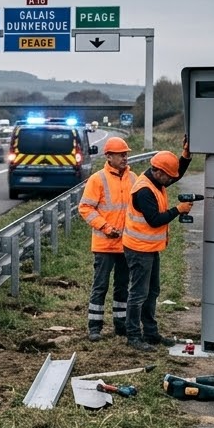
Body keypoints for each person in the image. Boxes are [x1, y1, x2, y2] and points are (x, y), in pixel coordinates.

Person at [121, 139, 193, 352]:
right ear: (159, 172)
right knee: (138, 294)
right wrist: (178, 210)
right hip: (138, 248)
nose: (171, 180)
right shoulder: (144, 190)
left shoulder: (156, 179)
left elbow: (176, 173)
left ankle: (151, 333)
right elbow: (154, 219)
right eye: (168, 177)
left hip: (149, 248)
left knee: (152, 291)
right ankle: (133, 335)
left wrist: (186, 155)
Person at [77, 136, 134, 341]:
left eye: (126, 154)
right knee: (100, 286)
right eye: (121, 154)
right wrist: (106, 227)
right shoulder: (97, 179)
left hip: (126, 244)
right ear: (109, 156)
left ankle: (121, 325)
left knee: (122, 286)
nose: (125, 157)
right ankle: (95, 327)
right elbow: (85, 207)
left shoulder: (133, 178)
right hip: (104, 244)